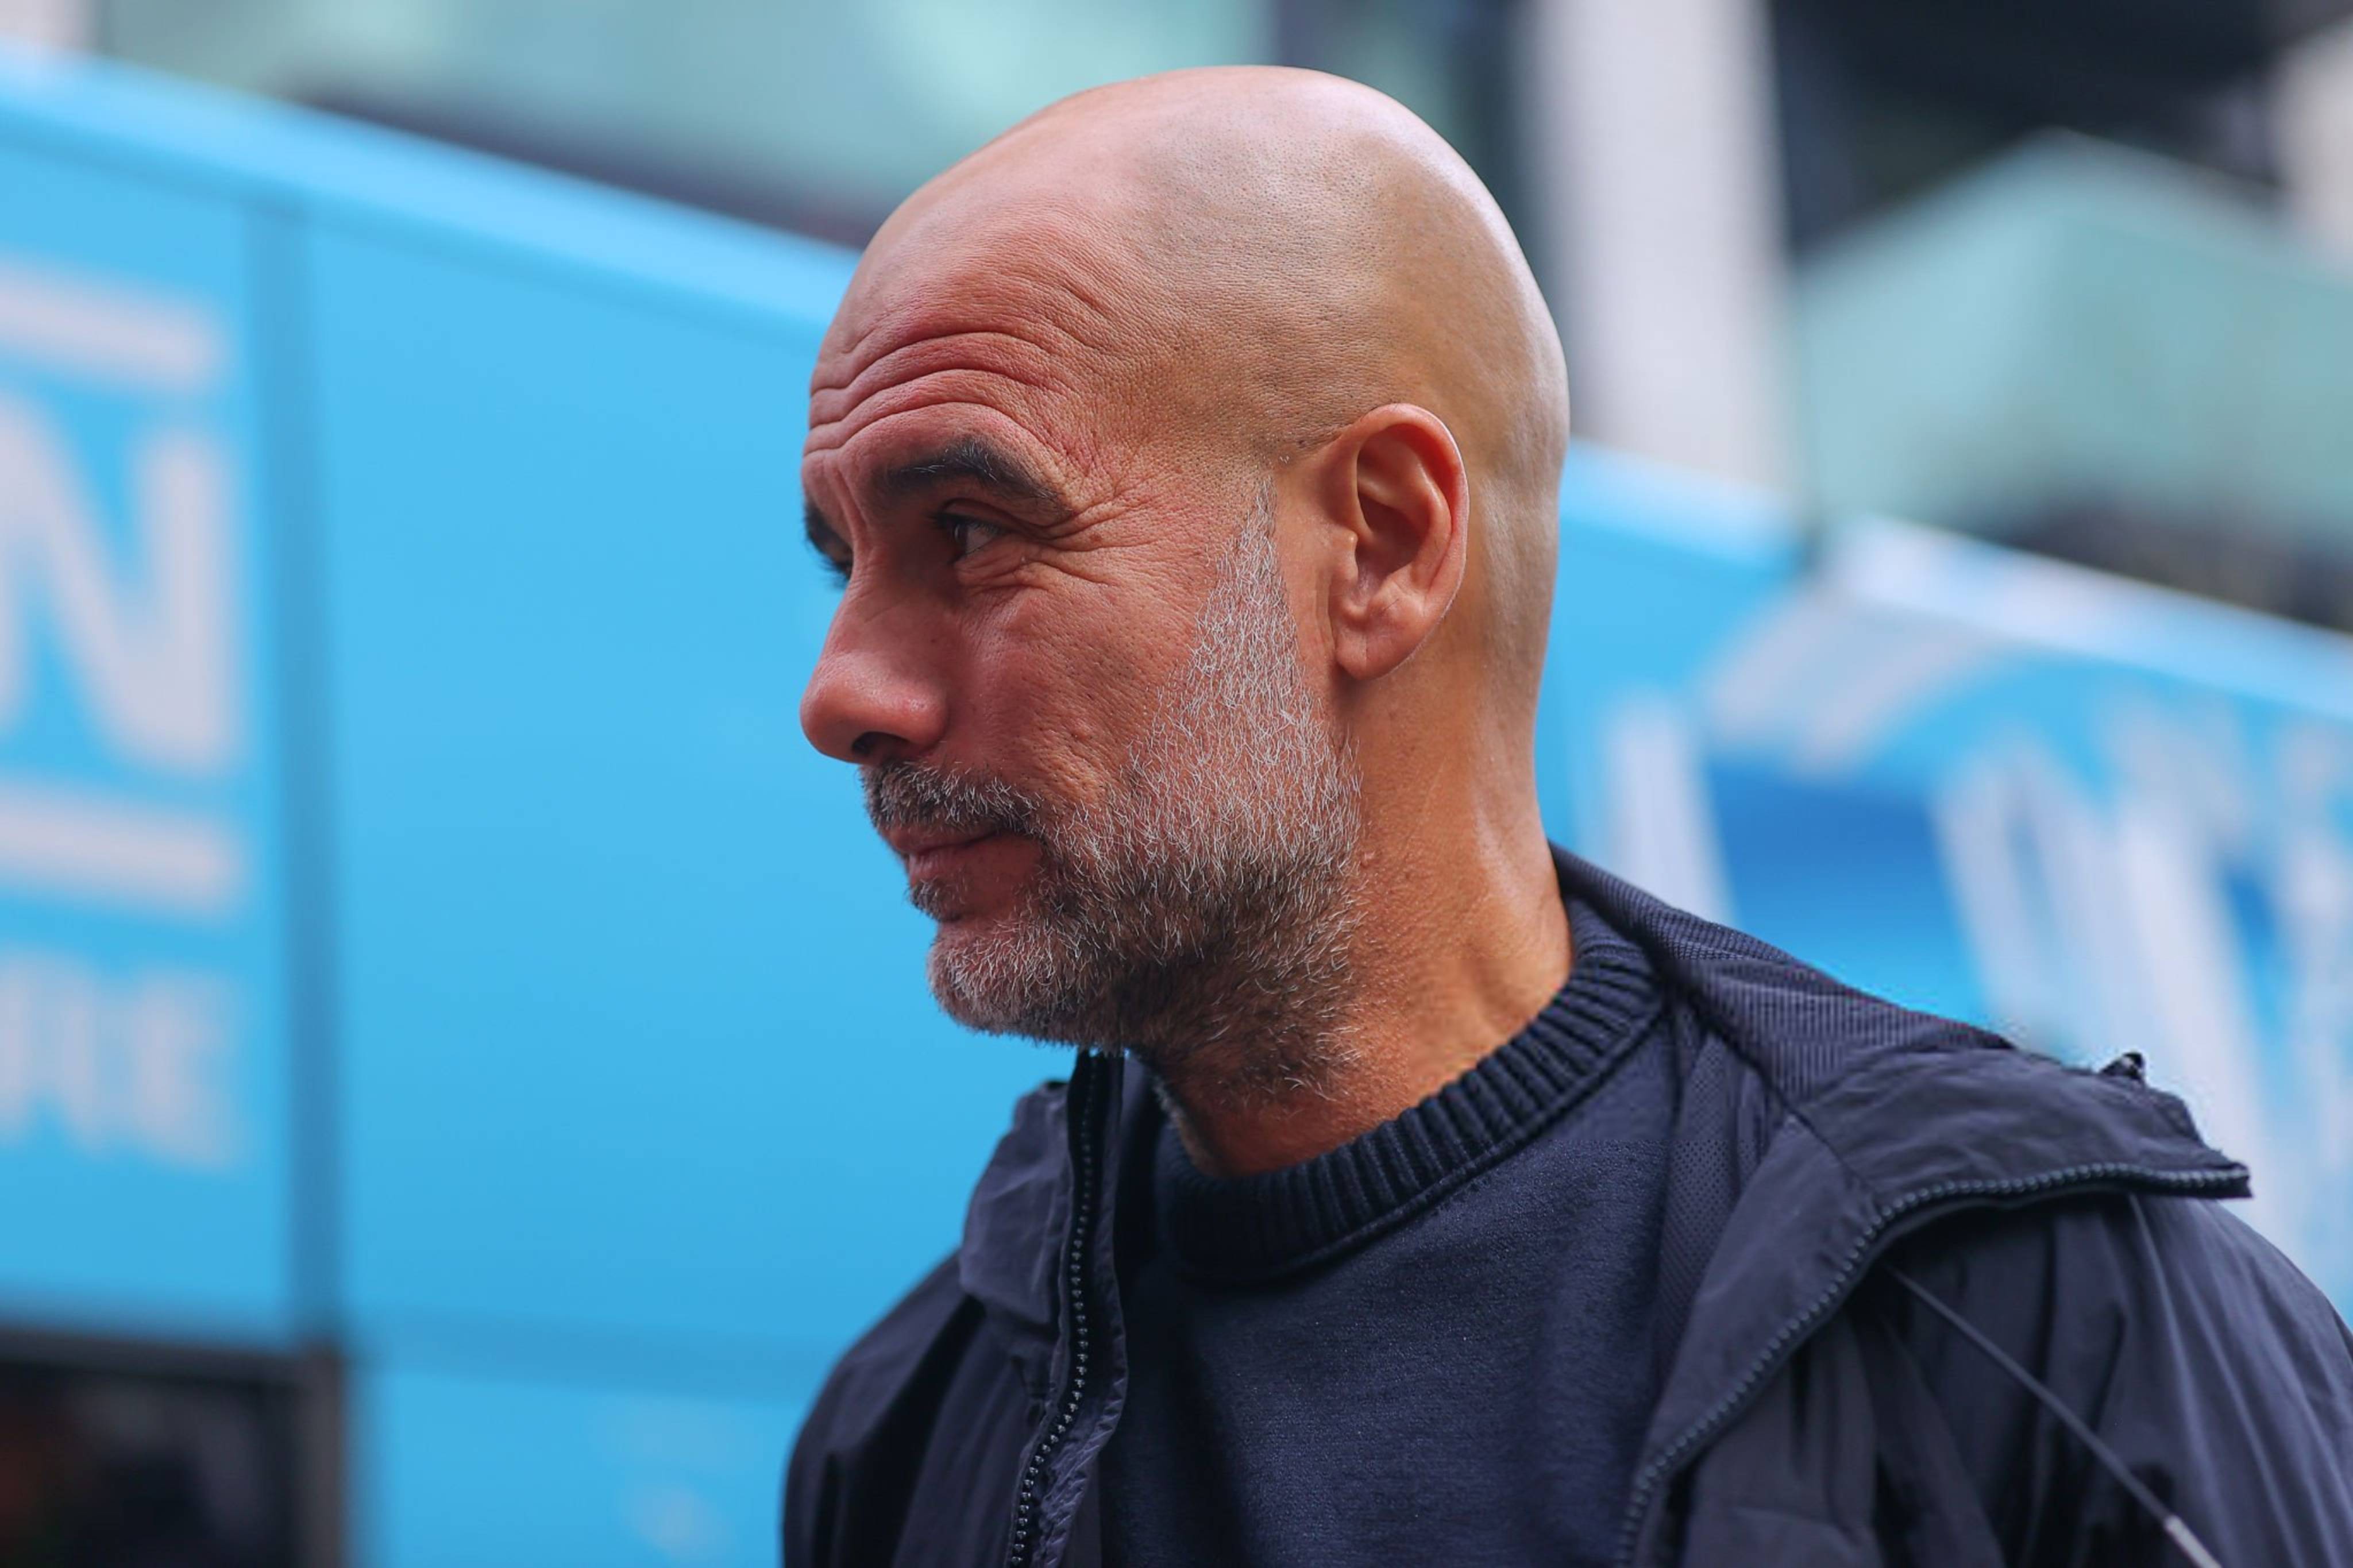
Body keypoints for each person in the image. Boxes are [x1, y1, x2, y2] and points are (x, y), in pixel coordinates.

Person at [784, 65, 2353, 1568]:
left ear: (1382, 545)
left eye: (970, 531)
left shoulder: (2039, 1320)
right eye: (845, 561)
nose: (842, 691)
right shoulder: (915, 1425)